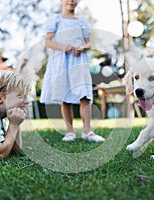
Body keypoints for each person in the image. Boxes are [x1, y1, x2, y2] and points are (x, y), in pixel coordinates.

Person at [40, 0, 105, 142]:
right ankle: (70, 131)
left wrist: (83, 47)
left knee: (84, 94)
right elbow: (48, 41)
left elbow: (89, 42)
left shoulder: (82, 21)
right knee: (65, 96)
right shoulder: (55, 19)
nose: (71, 1)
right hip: (61, 62)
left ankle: (87, 131)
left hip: (78, 61)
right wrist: (63, 46)